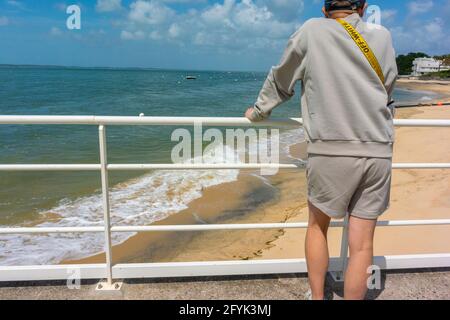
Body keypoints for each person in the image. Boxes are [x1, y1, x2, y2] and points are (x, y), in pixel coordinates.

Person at [245, 0, 398, 300]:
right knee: (363, 245)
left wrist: (258, 111)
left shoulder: (312, 30)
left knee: (317, 227)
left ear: (325, 9)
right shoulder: (383, 36)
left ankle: (318, 297)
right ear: (362, 7)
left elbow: (282, 80)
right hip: (378, 149)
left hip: (331, 151)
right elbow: (388, 87)